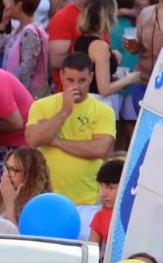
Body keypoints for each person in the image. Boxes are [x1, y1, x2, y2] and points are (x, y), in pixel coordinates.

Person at [27, 52, 116, 229]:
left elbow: (99, 149)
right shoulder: (41, 106)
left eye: (82, 81)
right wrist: (65, 112)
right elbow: (33, 139)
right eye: (70, 80)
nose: (76, 86)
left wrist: (55, 141)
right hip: (48, 198)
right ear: (60, 76)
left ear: (91, 77)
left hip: (88, 202)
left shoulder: (104, 110)